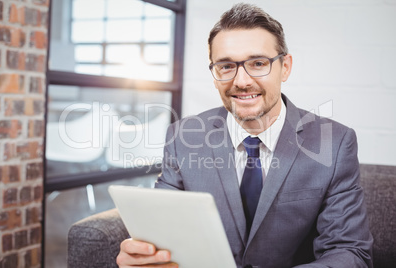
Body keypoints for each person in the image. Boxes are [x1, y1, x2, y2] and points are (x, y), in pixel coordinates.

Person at [117, 3, 373, 267]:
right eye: (226, 66)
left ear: (285, 67)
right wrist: (144, 254)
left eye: (258, 63)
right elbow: (159, 227)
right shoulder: (182, 137)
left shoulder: (335, 143)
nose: (241, 81)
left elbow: (350, 252)